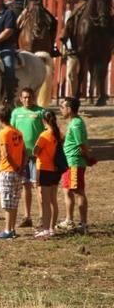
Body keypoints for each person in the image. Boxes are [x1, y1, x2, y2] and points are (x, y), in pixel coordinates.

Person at [10, 87, 45, 229]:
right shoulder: (16, 113)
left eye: (29, 97)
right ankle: (27, 216)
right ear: (20, 98)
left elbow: (48, 131)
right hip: (21, 156)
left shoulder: (41, 112)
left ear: (34, 97)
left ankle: (43, 216)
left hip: (37, 156)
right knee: (25, 186)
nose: (27, 100)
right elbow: (11, 132)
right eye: (24, 97)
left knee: (38, 186)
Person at [57, 97, 92, 235]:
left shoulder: (76, 124)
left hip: (74, 163)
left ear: (69, 109)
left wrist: (87, 158)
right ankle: (69, 219)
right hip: (69, 162)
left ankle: (83, 223)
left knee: (78, 192)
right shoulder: (73, 122)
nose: (61, 109)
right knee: (67, 191)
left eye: (62, 107)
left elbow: (81, 144)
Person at [0, 105, 26, 240]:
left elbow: (6, 154)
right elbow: (25, 153)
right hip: (18, 171)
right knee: (14, 201)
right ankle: (12, 229)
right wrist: (21, 168)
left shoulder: (3, 133)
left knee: (7, 201)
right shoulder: (18, 132)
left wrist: (14, 167)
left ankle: (7, 230)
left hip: (7, 170)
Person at [33, 110, 64, 239]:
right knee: (53, 200)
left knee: (45, 202)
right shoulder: (59, 134)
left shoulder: (44, 135)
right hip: (56, 170)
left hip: (45, 169)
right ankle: (52, 228)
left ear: (44, 121)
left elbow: (35, 151)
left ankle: (45, 229)